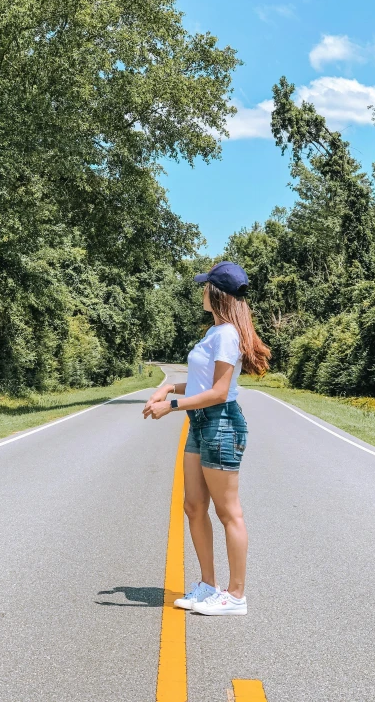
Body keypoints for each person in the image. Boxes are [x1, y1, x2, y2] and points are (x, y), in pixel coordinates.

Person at [142, 261, 271, 616]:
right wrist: (169, 384)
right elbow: (202, 382)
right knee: (194, 506)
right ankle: (208, 586)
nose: (201, 291)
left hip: (221, 423)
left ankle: (236, 596)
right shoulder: (214, 332)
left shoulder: (228, 334)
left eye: (205, 286)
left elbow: (218, 392)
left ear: (216, 293)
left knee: (229, 512)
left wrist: (172, 404)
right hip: (201, 424)